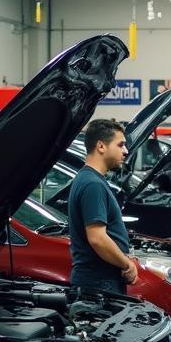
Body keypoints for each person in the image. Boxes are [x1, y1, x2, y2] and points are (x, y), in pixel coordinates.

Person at [68, 118, 138, 294]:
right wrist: (126, 264)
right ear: (101, 146)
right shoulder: (93, 184)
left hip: (99, 283)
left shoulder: (89, 179)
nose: (126, 151)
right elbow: (97, 238)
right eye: (120, 145)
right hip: (99, 286)